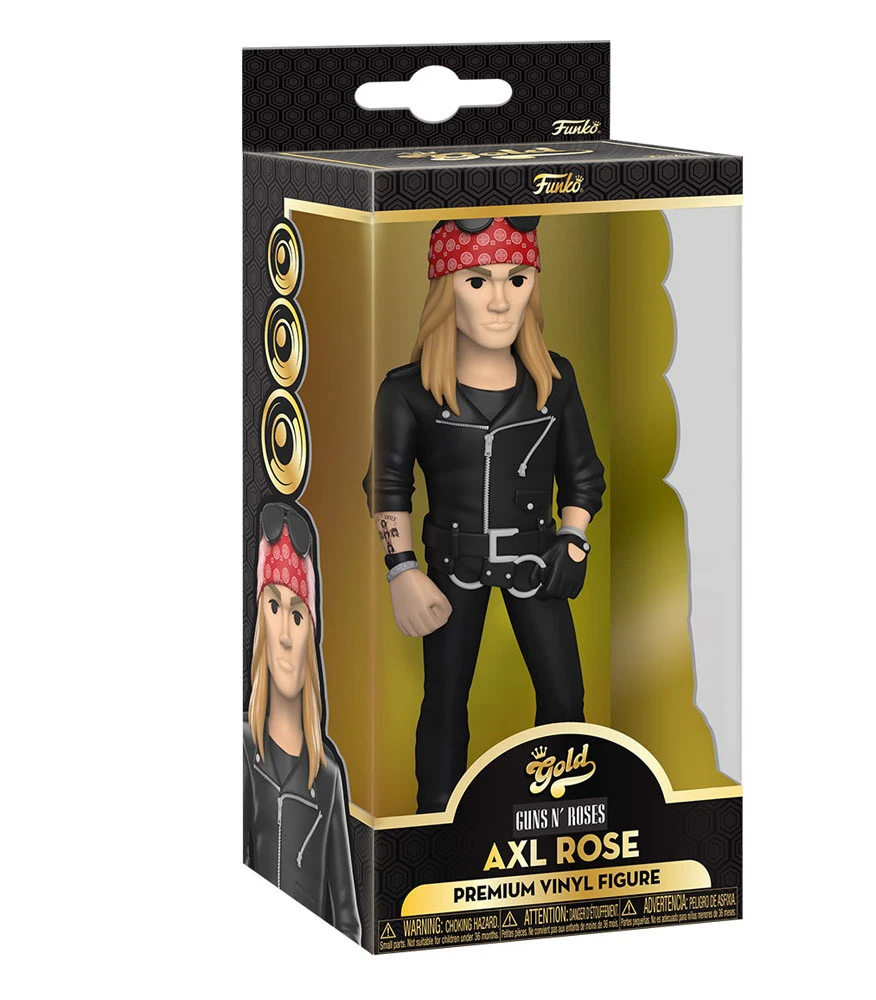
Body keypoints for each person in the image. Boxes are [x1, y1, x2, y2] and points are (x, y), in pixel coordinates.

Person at [363, 217, 606, 813]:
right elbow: (387, 486)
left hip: (537, 562)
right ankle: (435, 823)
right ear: (446, 291)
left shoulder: (556, 382)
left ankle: (557, 816)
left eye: (517, 279)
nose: (501, 301)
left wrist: (573, 539)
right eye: (477, 281)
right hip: (452, 564)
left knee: (565, 700)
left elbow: (583, 475)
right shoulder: (407, 392)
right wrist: (402, 569)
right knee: (444, 702)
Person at [243, 503, 361, 943]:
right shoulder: (241, 749)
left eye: (297, 615)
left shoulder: (327, 778)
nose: (285, 636)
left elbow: (348, 919)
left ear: (312, 632)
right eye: (273, 607)